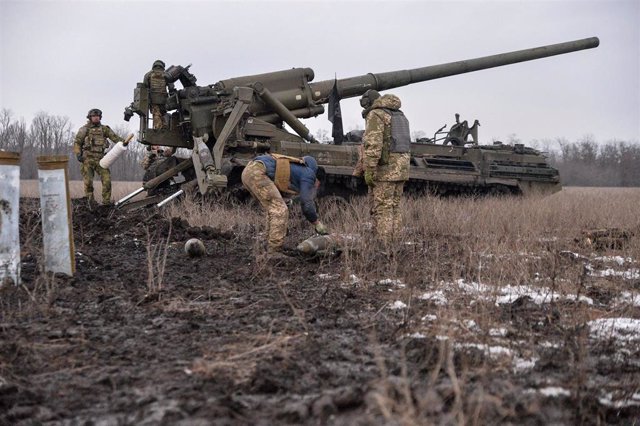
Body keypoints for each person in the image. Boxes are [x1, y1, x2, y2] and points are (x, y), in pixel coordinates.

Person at [241, 153, 328, 255]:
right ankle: (274, 250)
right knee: (280, 210)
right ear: (317, 180)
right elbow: (306, 204)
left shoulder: (297, 168)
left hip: (249, 170)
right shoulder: (309, 174)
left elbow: (284, 188)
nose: (315, 188)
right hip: (258, 172)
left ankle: (267, 242)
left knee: (273, 208)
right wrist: (316, 223)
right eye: (317, 185)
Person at [359, 90, 411, 242]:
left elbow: (373, 145)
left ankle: (384, 244)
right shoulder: (400, 115)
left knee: (382, 208)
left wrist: (369, 169)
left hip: (385, 170)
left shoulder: (376, 115)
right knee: (395, 207)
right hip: (401, 168)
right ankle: (395, 242)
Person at [73, 108, 124, 205]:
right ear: (90, 117)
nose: (96, 118)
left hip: (101, 160)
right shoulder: (84, 129)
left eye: (97, 116)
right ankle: (90, 203)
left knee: (107, 181)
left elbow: (115, 138)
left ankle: (106, 203)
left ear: (100, 117)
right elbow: (77, 142)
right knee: (88, 183)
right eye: (93, 116)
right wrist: (78, 154)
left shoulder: (104, 129)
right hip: (87, 159)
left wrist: (124, 142)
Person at [143, 60, 169, 129]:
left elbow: (145, 86)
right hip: (164, 100)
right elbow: (171, 86)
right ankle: (165, 126)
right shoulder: (166, 74)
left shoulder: (148, 75)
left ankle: (158, 129)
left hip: (153, 100)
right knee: (163, 114)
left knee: (156, 114)